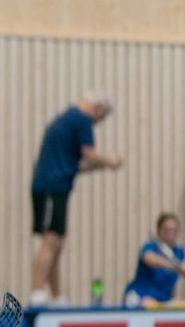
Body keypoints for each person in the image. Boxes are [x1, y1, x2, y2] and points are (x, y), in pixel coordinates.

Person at [29, 91, 123, 306]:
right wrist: (110, 161)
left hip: (52, 186)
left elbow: (76, 165)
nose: (98, 123)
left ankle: (56, 295)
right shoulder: (81, 120)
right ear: (98, 109)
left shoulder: (67, 119)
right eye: (101, 118)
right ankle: (37, 291)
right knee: (50, 240)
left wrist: (102, 166)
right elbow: (89, 154)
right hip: (52, 187)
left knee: (56, 243)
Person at [123, 213, 185, 307]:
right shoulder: (150, 247)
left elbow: (172, 282)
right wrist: (174, 265)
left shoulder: (179, 251)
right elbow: (149, 259)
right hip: (142, 295)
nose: (170, 233)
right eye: (167, 230)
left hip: (163, 298)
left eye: (174, 230)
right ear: (159, 230)